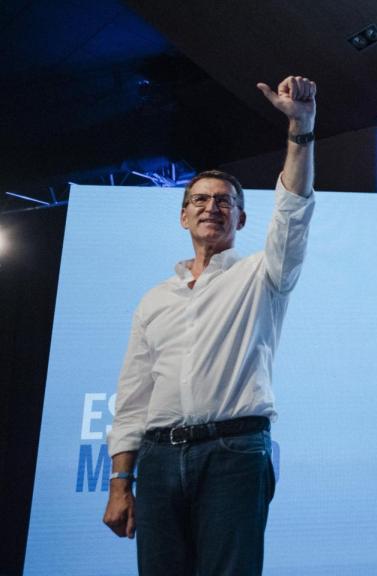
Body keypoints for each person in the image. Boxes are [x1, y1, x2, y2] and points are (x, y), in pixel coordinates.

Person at [102, 75, 317, 575]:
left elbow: (293, 212)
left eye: (224, 201)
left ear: (240, 219)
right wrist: (120, 483)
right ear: (183, 217)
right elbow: (133, 395)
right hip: (157, 460)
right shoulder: (154, 299)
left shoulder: (263, 274)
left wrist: (301, 126)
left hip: (234, 453)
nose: (212, 207)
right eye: (200, 200)